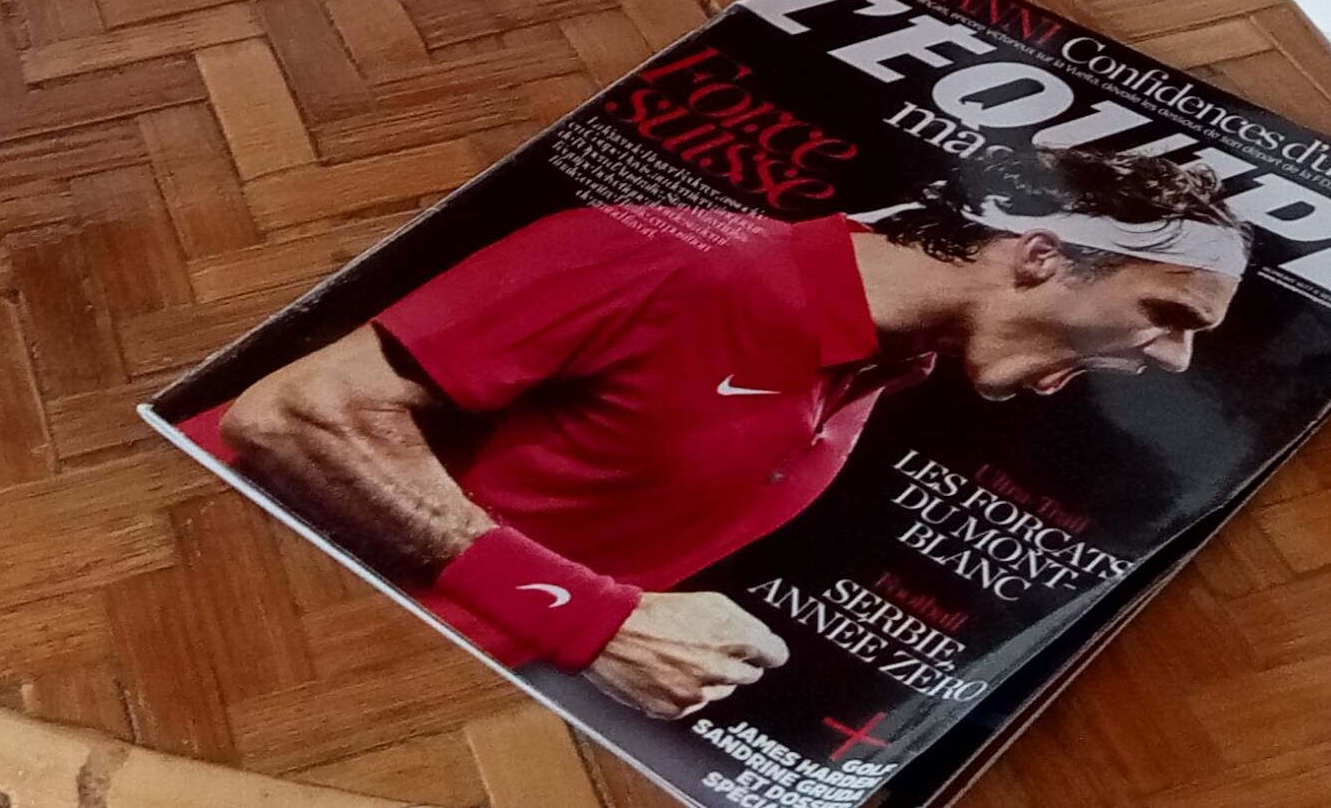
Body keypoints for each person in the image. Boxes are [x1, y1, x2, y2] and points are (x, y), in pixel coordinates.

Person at [178, 148, 1245, 723]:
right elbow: (291, 413)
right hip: (209, 599)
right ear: (1043, 253)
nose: (1174, 363)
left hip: (371, 693)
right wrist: (591, 619)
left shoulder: (891, 366)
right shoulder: (670, 258)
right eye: (1168, 315)